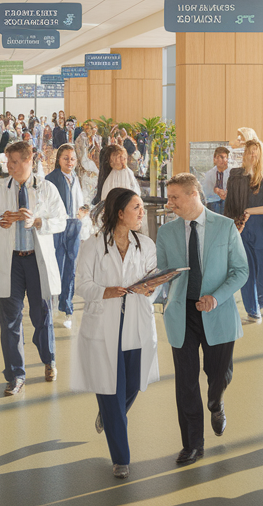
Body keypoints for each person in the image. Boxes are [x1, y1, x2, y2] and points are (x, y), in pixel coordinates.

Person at [73, 187, 168, 480]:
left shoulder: (146, 245)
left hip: (137, 324)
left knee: (131, 385)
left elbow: (155, 280)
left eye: (142, 207)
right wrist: (106, 291)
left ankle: (108, 413)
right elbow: (81, 285)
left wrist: (152, 288)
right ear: (119, 213)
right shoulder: (93, 245)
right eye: (136, 208)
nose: (142, 213)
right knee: (112, 391)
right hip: (103, 327)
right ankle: (121, 458)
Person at [159, 173, 248, 466]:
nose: (169, 203)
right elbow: (161, 275)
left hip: (217, 311)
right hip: (181, 313)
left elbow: (240, 271)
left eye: (175, 197)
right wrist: (152, 292)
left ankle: (216, 401)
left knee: (219, 375)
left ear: (194, 195)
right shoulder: (166, 233)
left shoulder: (224, 227)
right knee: (185, 383)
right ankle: (193, 445)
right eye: (169, 197)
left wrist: (217, 297)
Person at [0, 140, 69, 395]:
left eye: (17, 162)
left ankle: (49, 360)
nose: (12, 167)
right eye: (9, 162)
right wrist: (1, 221)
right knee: (9, 320)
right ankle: (15, 374)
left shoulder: (47, 188)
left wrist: (37, 221)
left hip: (36, 260)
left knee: (42, 316)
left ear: (31, 160)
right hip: (12, 261)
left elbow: (61, 220)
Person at [227, 139, 263, 324]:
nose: (253, 154)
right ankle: (253, 311)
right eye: (249, 151)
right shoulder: (236, 177)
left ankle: (259, 303)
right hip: (242, 230)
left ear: (261, 154)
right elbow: (231, 204)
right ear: (244, 154)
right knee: (246, 271)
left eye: (256, 151)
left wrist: (249, 211)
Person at [46, 144, 92, 329]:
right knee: (55, 266)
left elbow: (81, 201)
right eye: (66, 158)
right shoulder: (50, 179)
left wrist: (83, 212)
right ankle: (50, 306)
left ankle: (67, 308)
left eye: (73, 158)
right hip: (57, 228)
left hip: (74, 226)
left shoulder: (76, 178)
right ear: (59, 159)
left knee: (70, 268)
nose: (70, 162)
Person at [75, 122, 101, 202]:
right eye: (92, 128)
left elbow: (98, 152)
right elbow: (78, 151)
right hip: (84, 163)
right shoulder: (82, 137)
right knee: (85, 186)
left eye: (95, 128)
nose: (94, 130)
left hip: (94, 164)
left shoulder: (98, 138)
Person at [202, 147, 229, 214]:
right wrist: (215, 191)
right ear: (214, 159)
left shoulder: (231, 173)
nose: (222, 160)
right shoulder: (209, 174)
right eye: (220, 157)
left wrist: (227, 193)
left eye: (225, 157)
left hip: (227, 200)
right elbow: (206, 193)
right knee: (214, 205)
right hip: (213, 201)